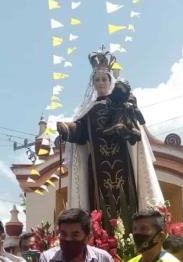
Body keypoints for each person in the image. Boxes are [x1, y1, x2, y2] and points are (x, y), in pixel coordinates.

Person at [57, 48, 163, 231]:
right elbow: (80, 133)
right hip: (97, 169)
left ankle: (130, 235)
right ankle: (102, 238)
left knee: (129, 200)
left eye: (104, 79)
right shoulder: (88, 110)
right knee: (98, 205)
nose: (100, 83)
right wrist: (67, 129)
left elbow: (134, 129)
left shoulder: (122, 104)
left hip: (123, 163)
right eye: (97, 80)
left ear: (110, 81)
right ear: (93, 83)